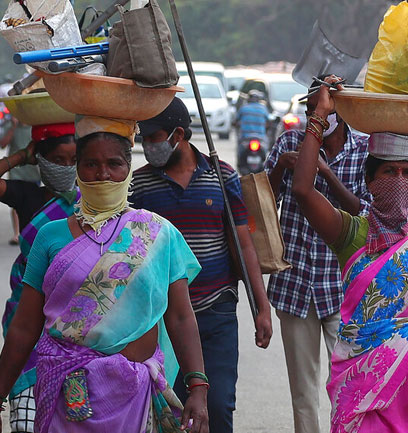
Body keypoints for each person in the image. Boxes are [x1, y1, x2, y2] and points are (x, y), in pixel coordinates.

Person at [0, 116, 209, 433]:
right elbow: (24, 326)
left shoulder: (157, 234)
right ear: (78, 170)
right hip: (65, 395)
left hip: (134, 397)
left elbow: (181, 317)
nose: (102, 175)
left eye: (113, 164)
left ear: (128, 168)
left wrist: (198, 386)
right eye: (91, 164)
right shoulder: (50, 236)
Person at [291, 76, 408, 432]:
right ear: (371, 183)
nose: (399, 178)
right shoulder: (352, 235)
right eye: (389, 171)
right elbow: (301, 189)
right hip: (361, 389)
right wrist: (319, 117)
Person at [131, 97, 272, 433]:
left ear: (178, 134)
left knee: (219, 404)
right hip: (164, 316)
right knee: (174, 406)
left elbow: (243, 245)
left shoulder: (222, 177)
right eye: (145, 138)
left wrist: (260, 306)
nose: (148, 145)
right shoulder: (139, 185)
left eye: (154, 137)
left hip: (217, 310)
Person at [263, 76, 372, 433]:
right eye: (311, 111)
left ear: (341, 113)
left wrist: (322, 171)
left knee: (349, 383)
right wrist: (282, 167)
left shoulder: (364, 150)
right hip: (295, 283)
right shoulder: (289, 143)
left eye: (321, 111)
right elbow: (265, 204)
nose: (316, 118)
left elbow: (363, 213)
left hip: (343, 286)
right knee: (303, 391)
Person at [0, 121, 78, 433]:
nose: (66, 167)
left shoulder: (89, 204)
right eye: (58, 160)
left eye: (73, 161)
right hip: (27, 312)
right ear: (42, 161)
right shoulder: (29, 196)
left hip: (72, 320)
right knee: (27, 419)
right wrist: (21, 156)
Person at [0, 117, 41, 245]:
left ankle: (31, 232)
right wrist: (13, 127)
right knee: (16, 203)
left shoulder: (35, 126)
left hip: (34, 173)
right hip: (16, 171)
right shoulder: (11, 125)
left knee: (34, 204)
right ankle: (17, 233)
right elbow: (2, 144)